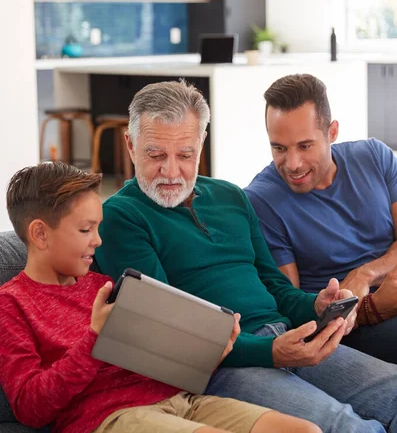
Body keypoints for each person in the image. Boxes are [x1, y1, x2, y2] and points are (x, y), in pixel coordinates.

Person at [96, 79, 397, 433]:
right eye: (155, 154)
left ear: (201, 144)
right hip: (224, 368)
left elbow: (275, 289)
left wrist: (317, 305)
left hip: (289, 338)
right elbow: (170, 337)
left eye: (185, 154)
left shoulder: (230, 197)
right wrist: (270, 352)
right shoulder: (120, 216)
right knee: (342, 426)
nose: (171, 171)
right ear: (130, 146)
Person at [0, 162, 317, 433]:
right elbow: (30, 408)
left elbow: (161, 359)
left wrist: (213, 349)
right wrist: (94, 338)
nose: (98, 240)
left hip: (183, 403)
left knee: (303, 429)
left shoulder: (107, 284)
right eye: (86, 230)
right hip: (109, 418)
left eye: (98, 228)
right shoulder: (11, 304)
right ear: (40, 233)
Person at [244, 73, 397, 364]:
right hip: (350, 328)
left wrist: (366, 273)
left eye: (304, 146)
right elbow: (289, 306)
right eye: (279, 148)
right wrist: (370, 308)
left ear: (332, 132)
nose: (292, 164)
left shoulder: (375, 157)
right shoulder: (261, 200)